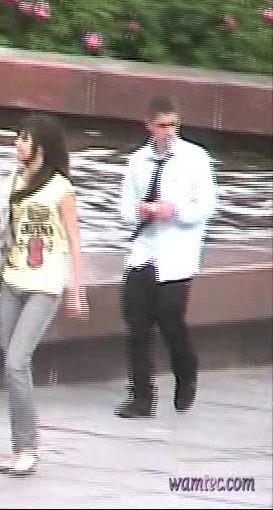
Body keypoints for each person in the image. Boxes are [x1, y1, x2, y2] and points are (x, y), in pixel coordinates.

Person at [0, 112, 87, 477]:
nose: (18, 144)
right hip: (12, 279)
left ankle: (28, 447)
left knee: (16, 361)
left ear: (41, 145)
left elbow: (74, 240)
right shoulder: (13, 180)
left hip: (45, 284)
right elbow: (8, 227)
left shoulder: (61, 188)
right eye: (18, 138)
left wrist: (76, 289)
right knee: (12, 364)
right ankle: (19, 448)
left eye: (24, 139)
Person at [115, 95, 217, 419]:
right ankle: (141, 396)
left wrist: (176, 211)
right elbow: (124, 208)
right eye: (162, 125)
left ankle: (186, 373)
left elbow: (207, 206)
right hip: (144, 250)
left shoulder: (195, 158)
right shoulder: (137, 162)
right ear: (149, 126)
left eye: (173, 124)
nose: (169, 131)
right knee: (136, 321)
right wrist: (141, 211)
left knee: (170, 317)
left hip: (177, 252)